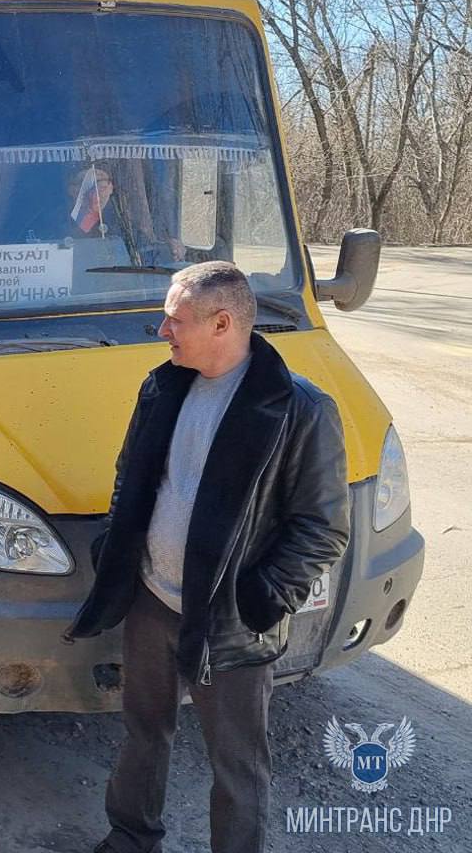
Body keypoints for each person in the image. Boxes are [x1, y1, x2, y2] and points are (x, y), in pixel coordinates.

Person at [63, 261, 351, 853]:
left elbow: (321, 530)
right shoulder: (163, 385)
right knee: (144, 733)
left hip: (231, 623)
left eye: (176, 320)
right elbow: (131, 481)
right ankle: (130, 837)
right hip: (152, 602)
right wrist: (117, 549)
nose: (162, 330)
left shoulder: (299, 410)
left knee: (238, 767)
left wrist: (258, 603)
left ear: (222, 323)